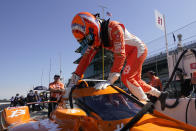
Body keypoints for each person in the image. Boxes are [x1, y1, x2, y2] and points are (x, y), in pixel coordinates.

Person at [65, 12, 167, 110]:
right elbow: (85, 60)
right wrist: (72, 83)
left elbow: (120, 55)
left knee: (126, 78)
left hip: (138, 49)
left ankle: (146, 105)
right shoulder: (94, 41)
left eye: (88, 38)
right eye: (85, 41)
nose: (89, 43)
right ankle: (160, 95)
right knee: (136, 81)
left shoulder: (114, 27)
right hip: (131, 53)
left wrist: (110, 80)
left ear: (92, 27)